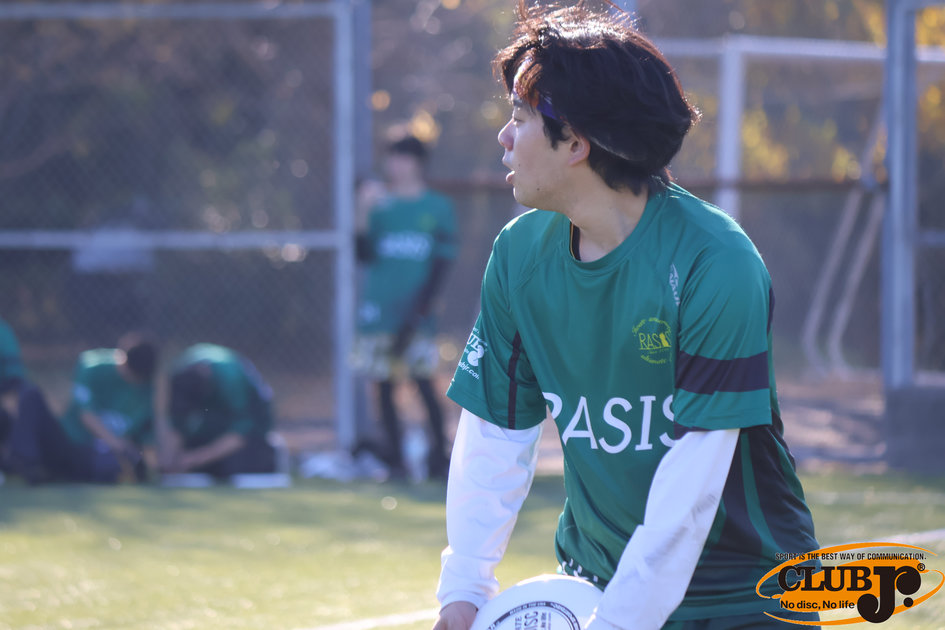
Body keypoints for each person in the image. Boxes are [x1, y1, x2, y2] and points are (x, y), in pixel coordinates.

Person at [432, 4, 820, 630]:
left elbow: (692, 488)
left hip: (744, 601)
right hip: (595, 587)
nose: (504, 136)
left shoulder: (715, 262)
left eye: (521, 118)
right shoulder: (518, 256)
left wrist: (619, 622)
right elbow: (496, 434)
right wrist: (465, 588)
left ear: (575, 142)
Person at [353, 134, 458, 479]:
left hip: (416, 314)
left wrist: (418, 313)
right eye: (391, 158)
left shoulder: (438, 207)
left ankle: (438, 458)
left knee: (424, 383)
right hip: (379, 312)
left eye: (402, 157)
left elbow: (442, 264)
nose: (394, 165)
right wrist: (362, 210)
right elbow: (362, 254)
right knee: (383, 386)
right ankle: (395, 459)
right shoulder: (380, 206)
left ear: (417, 163)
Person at [4, 332, 157, 484]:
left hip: (93, 457)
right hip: (66, 442)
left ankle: (52, 472)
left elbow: (146, 438)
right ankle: (24, 463)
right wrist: (118, 444)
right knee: (30, 394)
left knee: (109, 466)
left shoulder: (149, 389)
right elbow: (86, 415)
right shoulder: (92, 365)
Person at [160, 343, 276, 477]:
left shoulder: (231, 379)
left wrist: (196, 458)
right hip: (215, 425)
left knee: (230, 467)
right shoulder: (179, 374)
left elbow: (242, 431)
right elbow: (177, 421)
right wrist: (170, 459)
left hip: (252, 431)